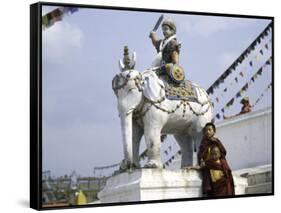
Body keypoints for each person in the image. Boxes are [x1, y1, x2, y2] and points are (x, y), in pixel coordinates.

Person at [197, 122, 234, 197]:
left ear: (214, 131)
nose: (208, 132)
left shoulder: (216, 141)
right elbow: (200, 156)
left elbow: (223, 152)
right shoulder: (203, 144)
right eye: (206, 130)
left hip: (219, 168)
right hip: (209, 170)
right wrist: (201, 160)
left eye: (210, 130)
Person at [149, 18, 184, 84]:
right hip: (159, 68)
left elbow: (175, 62)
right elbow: (155, 43)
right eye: (163, 30)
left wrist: (166, 66)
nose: (164, 31)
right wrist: (153, 35)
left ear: (172, 30)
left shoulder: (173, 43)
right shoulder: (162, 42)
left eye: (166, 29)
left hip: (167, 70)